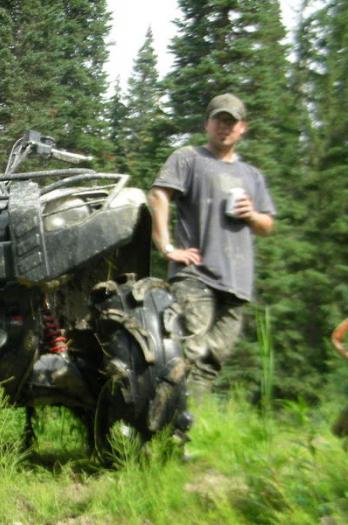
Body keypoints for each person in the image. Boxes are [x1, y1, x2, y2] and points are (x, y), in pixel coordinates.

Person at [147, 93, 275, 398]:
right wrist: (166, 247)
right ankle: (164, 426)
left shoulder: (251, 176)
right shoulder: (189, 158)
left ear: (243, 127)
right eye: (219, 120)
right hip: (195, 275)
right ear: (208, 123)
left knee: (211, 362)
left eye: (232, 122)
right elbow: (158, 195)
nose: (225, 127)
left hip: (236, 283)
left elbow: (267, 225)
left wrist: (252, 214)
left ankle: (188, 428)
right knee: (187, 352)